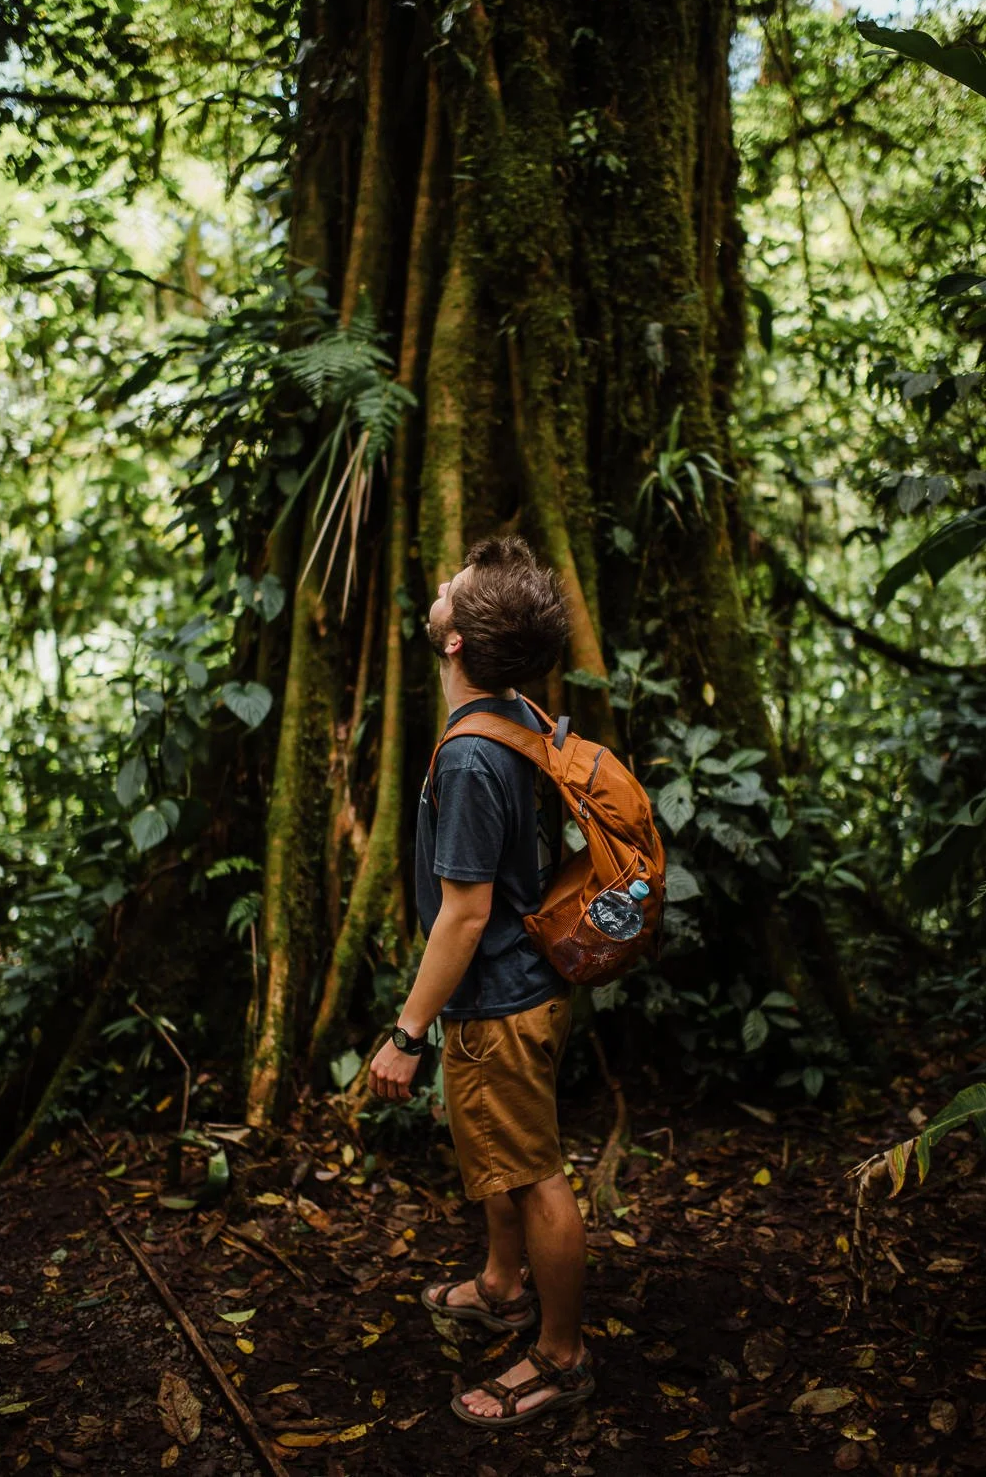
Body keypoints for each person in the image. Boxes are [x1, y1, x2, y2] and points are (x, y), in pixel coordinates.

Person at [369, 534, 595, 1429]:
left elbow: (463, 915)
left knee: (534, 1170)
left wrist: (405, 1034)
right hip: (520, 985)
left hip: (498, 996)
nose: (438, 588)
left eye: (450, 591)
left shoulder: (468, 757)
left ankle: (560, 1356)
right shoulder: (516, 713)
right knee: (497, 1147)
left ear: (455, 640)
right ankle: (503, 1285)